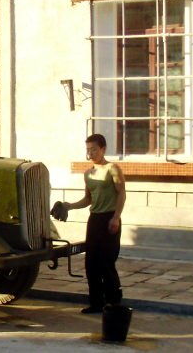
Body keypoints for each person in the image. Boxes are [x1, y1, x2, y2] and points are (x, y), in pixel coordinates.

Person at [62, 134, 127, 314]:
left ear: (103, 149)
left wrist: (116, 217)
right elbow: (88, 199)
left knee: (107, 262)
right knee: (91, 263)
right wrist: (70, 206)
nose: (90, 153)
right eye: (88, 149)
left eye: (94, 149)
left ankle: (114, 302)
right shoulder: (88, 174)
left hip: (110, 219)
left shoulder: (112, 169)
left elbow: (121, 193)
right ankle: (96, 303)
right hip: (95, 220)